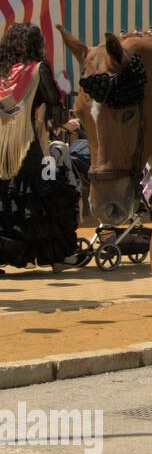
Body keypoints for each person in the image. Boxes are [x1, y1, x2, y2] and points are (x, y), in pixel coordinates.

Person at [0, 23, 80, 272]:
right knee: (46, 196)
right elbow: (55, 108)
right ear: (35, 45)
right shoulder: (37, 70)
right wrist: (69, 124)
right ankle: (57, 257)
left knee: (6, 199)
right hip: (29, 147)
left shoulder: (1, 72)